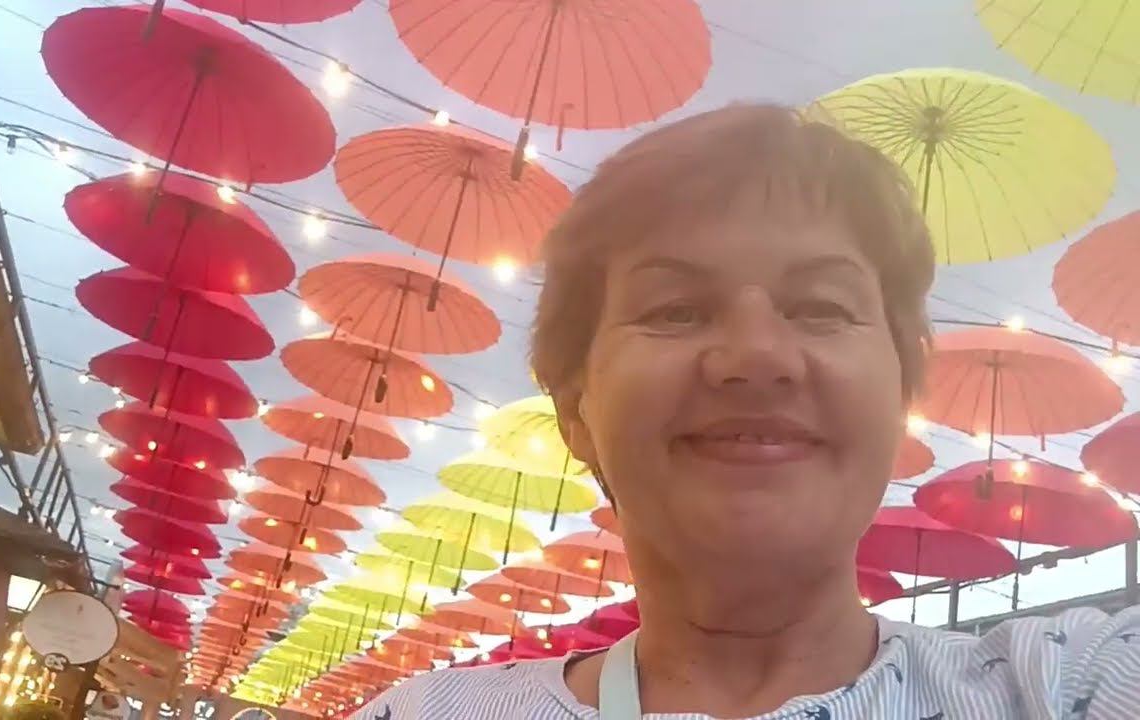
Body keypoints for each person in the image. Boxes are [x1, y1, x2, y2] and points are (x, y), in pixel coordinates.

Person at [350, 105, 1140, 719]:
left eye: (822, 307)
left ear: (899, 393)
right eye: (675, 310)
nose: (758, 355)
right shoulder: (427, 712)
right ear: (575, 411)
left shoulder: (1066, 683)